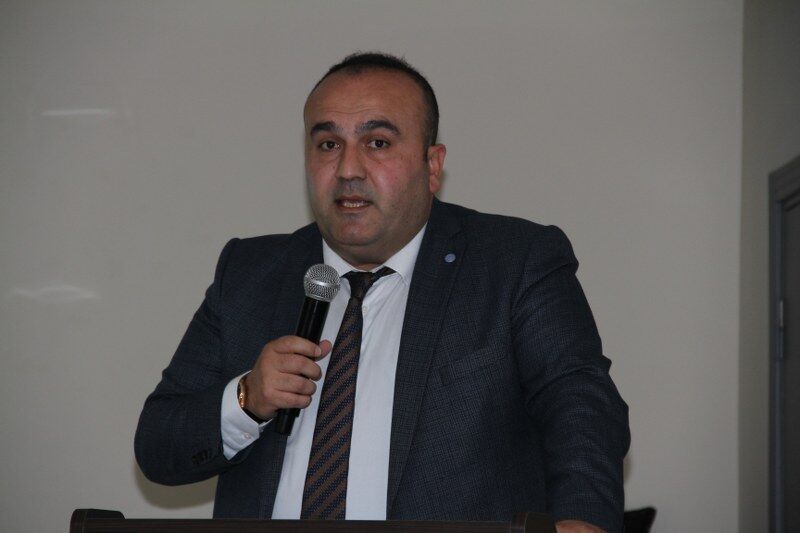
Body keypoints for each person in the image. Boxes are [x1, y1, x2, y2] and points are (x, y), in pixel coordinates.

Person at [135, 52, 630, 533]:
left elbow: (580, 404)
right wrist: (247, 399)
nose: (348, 169)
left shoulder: (513, 262)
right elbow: (158, 444)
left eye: (377, 143)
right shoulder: (250, 273)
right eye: (328, 144)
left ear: (432, 165)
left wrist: (582, 519)